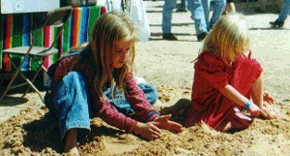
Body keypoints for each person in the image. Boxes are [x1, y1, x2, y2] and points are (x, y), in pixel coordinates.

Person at [44, 11, 183, 155]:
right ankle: (70, 140)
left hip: (94, 98)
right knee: (74, 78)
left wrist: (153, 117)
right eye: (118, 51)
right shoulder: (82, 63)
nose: (124, 56)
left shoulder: (121, 60)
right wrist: (136, 126)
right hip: (66, 102)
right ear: (101, 47)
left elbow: (133, 91)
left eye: (127, 50)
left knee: (149, 92)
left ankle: (110, 115)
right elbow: (101, 106)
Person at [185, 13, 279, 132]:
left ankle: (259, 108)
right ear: (224, 44)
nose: (238, 55)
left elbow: (244, 74)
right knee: (206, 125)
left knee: (252, 65)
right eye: (236, 51)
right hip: (209, 104)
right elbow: (224, 87)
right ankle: (233, 121)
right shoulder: (209, 59)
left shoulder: (229, 54)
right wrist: (248, 105)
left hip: (225, 98)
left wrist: (256, 93)